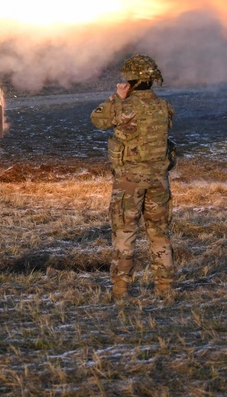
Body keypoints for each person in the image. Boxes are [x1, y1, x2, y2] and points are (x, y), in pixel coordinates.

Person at [91, 54, 176, 301]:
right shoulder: (164, 107)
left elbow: (98, 119)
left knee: (125, 233)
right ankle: (165, 288)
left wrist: (117, 98)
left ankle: (120, 291)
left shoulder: (124, 106)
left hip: (129, 181)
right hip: (159, 180)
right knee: (159, 234)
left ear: (132, 80)